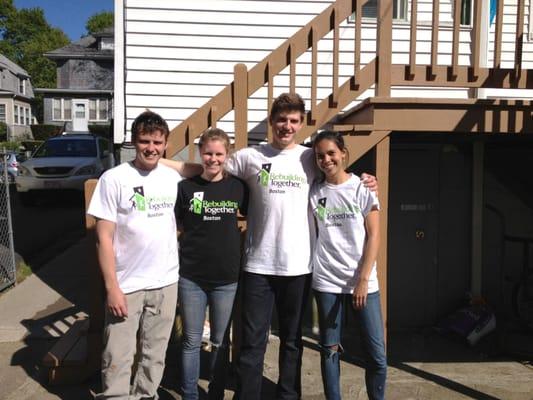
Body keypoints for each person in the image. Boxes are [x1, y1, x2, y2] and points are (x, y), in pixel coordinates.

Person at [223, 93, 378, 399]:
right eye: (281, 120)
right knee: (253, 342)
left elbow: (338, 168)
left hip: (298, 267)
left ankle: (288, 395)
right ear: (271, 121)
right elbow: (210, 166)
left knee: (292, 340)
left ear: (301, 124)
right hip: (258, 266)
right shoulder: (251, 156)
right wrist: (163, 164)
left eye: (294, 121)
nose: (287, 126)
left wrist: (366, 180)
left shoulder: (309, 157)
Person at [88, 110, 199, 399]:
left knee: (155, 355)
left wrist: (161, 161)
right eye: (144, 141)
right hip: (127, 283)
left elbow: (201, 170)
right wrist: (112, 287)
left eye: (157, 142)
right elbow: (103, 237)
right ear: (133, 142)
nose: (150, 147)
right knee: (117, 355)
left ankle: (145, 396)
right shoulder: (114, 179)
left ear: (165, 145)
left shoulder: (172, 178)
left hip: (165, 281)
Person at [310, 131, 386, 400]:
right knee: (330, 351)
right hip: (327, 281)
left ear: (343, 153)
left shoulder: (362, 187)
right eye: (320, 156)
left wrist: (363, 279)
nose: (326, 159)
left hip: (362, 283)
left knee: (376, 354)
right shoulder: (315, 191)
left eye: (331, 153)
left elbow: (375, 235)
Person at [175, 128, 248, 400]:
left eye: (219, 153)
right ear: (199, 153)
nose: (213, 159)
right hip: (192, 277)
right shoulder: (186, 188)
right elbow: (176, 225)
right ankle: (190, 394)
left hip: (226, 279)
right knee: (192, 341)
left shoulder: (238, 187)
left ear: (227, 154)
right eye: (208, 153)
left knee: (220, 341)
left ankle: (216, 393)